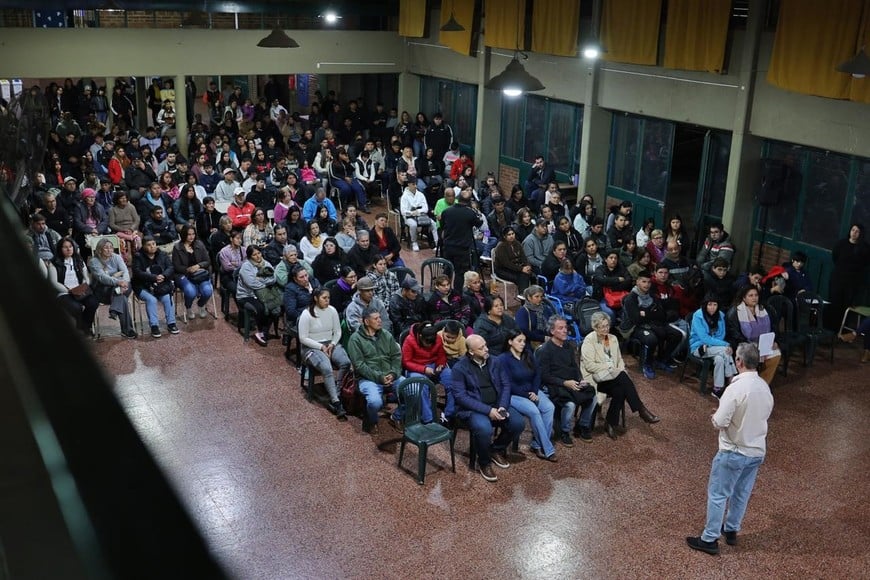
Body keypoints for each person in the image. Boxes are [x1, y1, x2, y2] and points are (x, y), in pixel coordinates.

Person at [686, 342, 774, 556]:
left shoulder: (736, 388)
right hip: (756, 451)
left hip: (734, 451)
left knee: (718, 494)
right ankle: (732, 529)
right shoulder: (764, 386)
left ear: (739, 362)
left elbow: (720, 421)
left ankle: (709, 538)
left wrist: (716, 417)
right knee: (741, 493)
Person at [451, 334, 525, 482]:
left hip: (497, 404)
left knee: (518, 423)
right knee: (485, 428)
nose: (486, 349)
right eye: (481, 348)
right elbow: (461, 397)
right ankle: (484, 462)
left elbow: (505, 385)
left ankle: (495, 449)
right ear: (471, 352)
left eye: (485, 345)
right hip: (474, 409)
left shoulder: (495, 361)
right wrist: (488, 411)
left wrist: (502, 407)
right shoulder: (460, 368)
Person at [580, 312, 660, 439]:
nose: (606, 329)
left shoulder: (612, 339)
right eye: (602, 327)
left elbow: (619, 360)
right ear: (595, 328)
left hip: (613, 376)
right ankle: (641, 410)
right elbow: (589, 366)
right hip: (596, 378)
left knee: (620, 389)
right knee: (622, 378)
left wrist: (618, 370)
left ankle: (610, 423)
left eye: (607, 325)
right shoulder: (589, 341)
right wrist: (610, 368)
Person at [537, 316, 597, 445]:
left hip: (572, 382)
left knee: (593, 397)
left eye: (566, 327)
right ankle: (565, 431)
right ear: (552, 331)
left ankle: (582, 425)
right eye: (561, 328)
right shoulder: (545, 350)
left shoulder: (569, 346)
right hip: (556, 385)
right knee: (570, 405)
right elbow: (544, 376)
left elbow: (574, 367)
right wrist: (564, 383)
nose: (565, 331)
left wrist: (580, 379)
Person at [347, 306, 403, 434]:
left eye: (380, 318)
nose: (380, 321)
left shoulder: (386, 335)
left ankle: (397, 417)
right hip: (368, 379)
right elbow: (359, 365)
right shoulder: (355, 339)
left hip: (390, 375)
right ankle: (372, 421)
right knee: (374, 402)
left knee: (413, 391)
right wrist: (379, 377)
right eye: (376, 318)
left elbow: (396, 356)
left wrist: (393, 374)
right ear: (366, 322)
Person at [391, 321, 455, 430]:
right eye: (427, 343)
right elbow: (406, 362)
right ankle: (428, 420)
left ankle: (448, 415)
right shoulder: (409, 341)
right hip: (416, 367)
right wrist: (424, 369)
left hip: (434, 365)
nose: (429, 345)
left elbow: (441, 355)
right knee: (421, 386)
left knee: (452, 379)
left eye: (431, 343)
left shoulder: (438, 339)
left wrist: (440, 365)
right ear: (420, 336)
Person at [299, 288, 351, 420]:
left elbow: (337, 331)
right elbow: (303, 338)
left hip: (330, 343)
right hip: (312, 347)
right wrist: (321, 347)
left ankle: (337, 391)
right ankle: (336, 401)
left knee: (345, 362)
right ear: (316, 298)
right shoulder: (306, 314)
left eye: (328, 298)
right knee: (327, 368)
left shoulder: (332, 311)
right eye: (324, 298)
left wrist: (332, 344)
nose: (327, 301)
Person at [622, 272, 684, 380]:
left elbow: (661, 314)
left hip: (654, 323)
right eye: (643, 281)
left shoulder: (652, 295)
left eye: (649, 282)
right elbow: (636, 319)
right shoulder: (631, 298)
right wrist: (652, 313)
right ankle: (646, 365)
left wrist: (645, 312)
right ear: (637, 282)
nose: (647, 284)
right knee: (651, 339)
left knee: (676, 334)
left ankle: (662, 360)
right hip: (634, 327)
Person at [726, 286, 782, 385]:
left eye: (756, 295)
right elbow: (734, 334)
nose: (754, 298)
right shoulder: (735, 312)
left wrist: (774, 340)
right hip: (744, 344)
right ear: (744, 298)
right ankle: (747, 384)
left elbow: (774, 327)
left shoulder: (765, 309)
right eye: (750, 295)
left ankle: (762, 383)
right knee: (750, 355)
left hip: (764, 343)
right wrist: (751, 346)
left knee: (776, 354)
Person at [88, 237, 137, 338]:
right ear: (100, 249)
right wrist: (117, 280)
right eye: (106, 248)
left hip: (121, 287)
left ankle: (115, 310)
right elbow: (102, 278)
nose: (109, 250)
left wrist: (124, 282)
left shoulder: (117, 257)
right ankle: (127, 330)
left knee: (123, 289)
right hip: (103, 291)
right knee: (121, 297)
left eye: (111, 247)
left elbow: (126, 272)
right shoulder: (94, 261)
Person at [51, 236, 100, 336]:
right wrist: (69, 290)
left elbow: (87, 277)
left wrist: (82, 286)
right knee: (76, 307)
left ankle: (83, 327)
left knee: (93, 303)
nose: (69, 249)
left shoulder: (79, 261)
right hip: (64, 292)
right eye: (65, 247)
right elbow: (53, 282)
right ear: (60, 249)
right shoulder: (54, 263)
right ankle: (84, 329)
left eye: (70, 246)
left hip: (80, 290)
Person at [690, 295, 738, 396]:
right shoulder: (697, 316)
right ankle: (731, 379)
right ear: (705, 305)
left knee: (720, 359)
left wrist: (717, 344)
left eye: (715, 305)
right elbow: (704, 338)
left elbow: (721, 334)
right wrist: (726, 344)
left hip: (715, 347)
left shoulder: (721, 315)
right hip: (699, 346)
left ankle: (717, 389)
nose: (712, 307)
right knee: (725, 350)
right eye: (709, 304)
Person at [133, 235, 179, 338]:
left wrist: (164, 275)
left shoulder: (162, 254)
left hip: (160, 285)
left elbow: (170, 267)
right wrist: (154, 277)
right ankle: (154, 326)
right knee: (152, 300)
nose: (152, 247)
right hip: (142, 286)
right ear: (143, 246)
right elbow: (137, 272)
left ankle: (171, 323)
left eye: (153, 244)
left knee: (167, 297)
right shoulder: (138, 256)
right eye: (149, 245)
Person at [827, 223, 870, 329]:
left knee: (846, 305)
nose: (854, 233)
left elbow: (865, 264)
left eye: (857, 231)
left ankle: (840, 330)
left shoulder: (864, 248)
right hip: (838, 279)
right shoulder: (841, 244)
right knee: (834, 303)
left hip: (852, 283)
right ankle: (829, 328)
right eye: (853, 230)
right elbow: (835, 257)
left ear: (861, 234)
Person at [440, 186, 483, 294]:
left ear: (457, 199)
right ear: (469, 202)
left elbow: (442, 226)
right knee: (460, 273)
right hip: (462, 249)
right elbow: (479, 223)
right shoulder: (470, 213)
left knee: (447, 270)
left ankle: (444, 291)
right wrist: (474, 210)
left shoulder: (446, 211)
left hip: (448, 247)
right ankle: (457, 295)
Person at [237, 245, 278, 346]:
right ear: (250, 256)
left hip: (263, 292)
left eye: (259, 253)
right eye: (254, 255)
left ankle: (264, 330)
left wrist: (261, 280)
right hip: (246, 295)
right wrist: (265, 282)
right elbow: (252, 283)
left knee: (276, 306)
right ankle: (261, 332)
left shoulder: (265, 263)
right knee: (261, 308)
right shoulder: (246, 267)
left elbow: (273, 278)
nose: (258, 256)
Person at [172, 225, 213, 319]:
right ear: (183, 235)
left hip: (200, 273)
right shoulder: (177, 247)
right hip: (184, 274)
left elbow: (207, 261)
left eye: (193, 234)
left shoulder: (199, 244)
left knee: (207, 291)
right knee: (190, 292)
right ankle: (189, 307)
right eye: (188, 234)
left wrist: (198, 266)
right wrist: (188, 269)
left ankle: (201, 305)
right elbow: (176, 266)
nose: (191, 237)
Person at [400, 180, 433, 252]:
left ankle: (435, 242)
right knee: (413, 225)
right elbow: (403, 211)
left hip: (421, 215)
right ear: (408, 185)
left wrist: (418, 211)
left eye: (415, 184)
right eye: (413, 184)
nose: (415, 186)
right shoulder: (404, 196)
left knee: (433, 223)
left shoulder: (421, 194)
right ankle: (414, 242)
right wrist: (412, 213)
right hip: (409, 217)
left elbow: (426, 208)